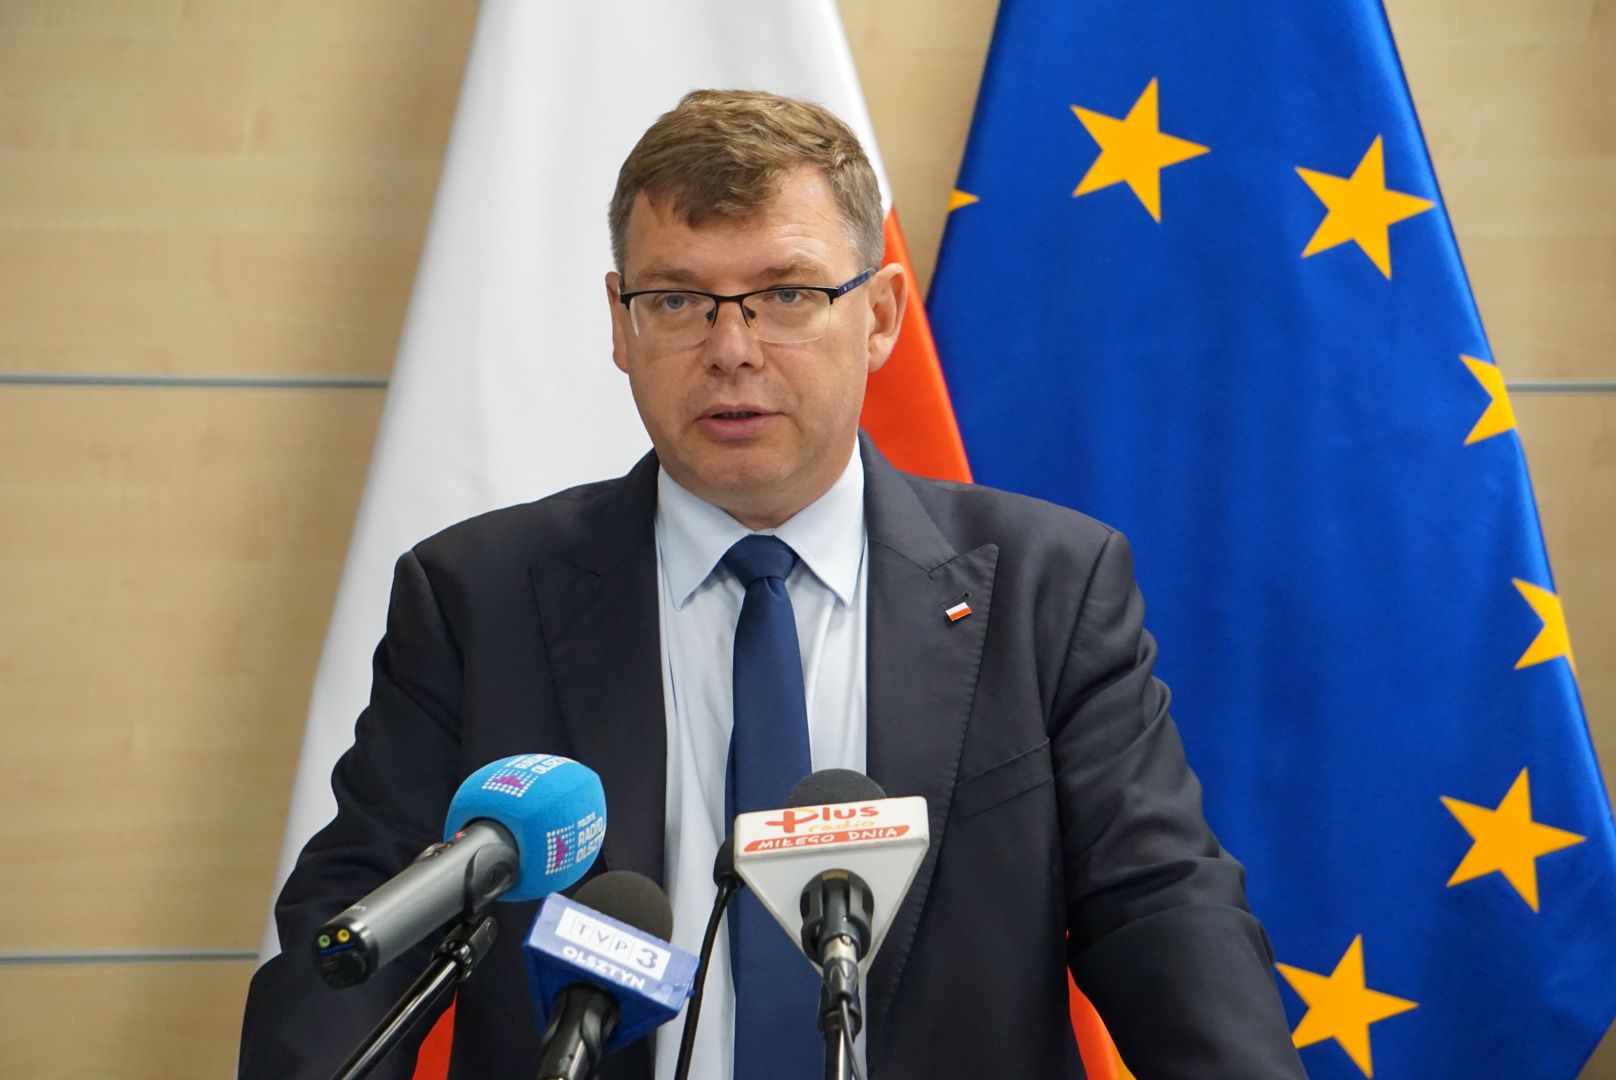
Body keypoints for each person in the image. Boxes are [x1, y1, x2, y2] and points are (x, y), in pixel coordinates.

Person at [240, 89, 1306, 1080]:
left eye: (787, 294)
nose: (731, 349)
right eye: (677, 300)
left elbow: (1162, 911)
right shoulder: (480, 598)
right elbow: (360, 931)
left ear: (879, 315)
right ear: (619, 323)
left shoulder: (1045, 591)